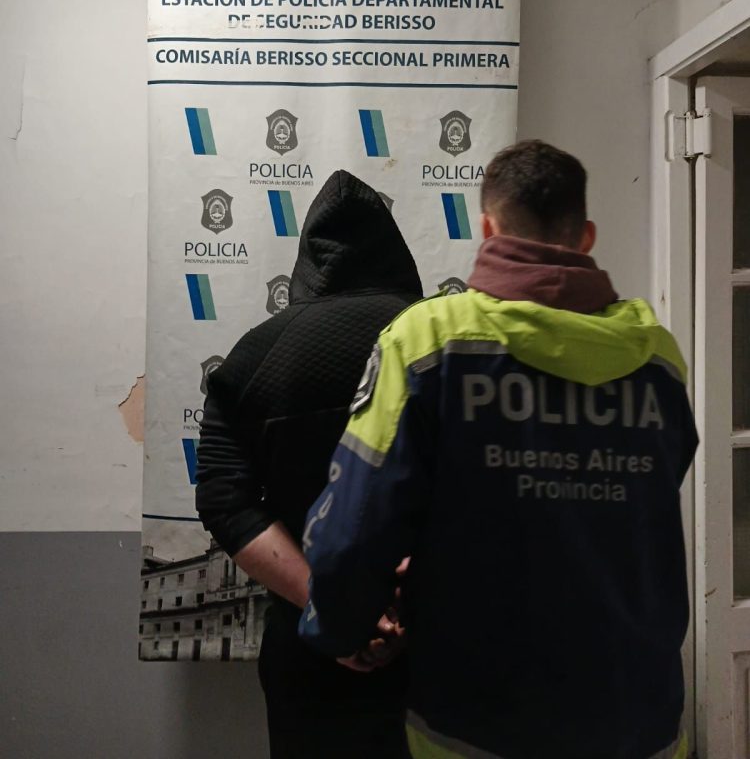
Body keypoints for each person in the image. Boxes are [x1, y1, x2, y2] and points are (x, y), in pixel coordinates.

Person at [300, 140, 698, 759]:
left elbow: (353, 529)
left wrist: (339, 628)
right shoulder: (658, 359)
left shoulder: (430, 341)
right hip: (637, 712)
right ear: (586, 236)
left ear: (487, 228)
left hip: (478, 718)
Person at [195, 169, 421, 759]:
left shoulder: (253, 355)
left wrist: (330, 606)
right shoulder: (440, 342)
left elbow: (222, 499)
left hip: (308, 645)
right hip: (429, 645)